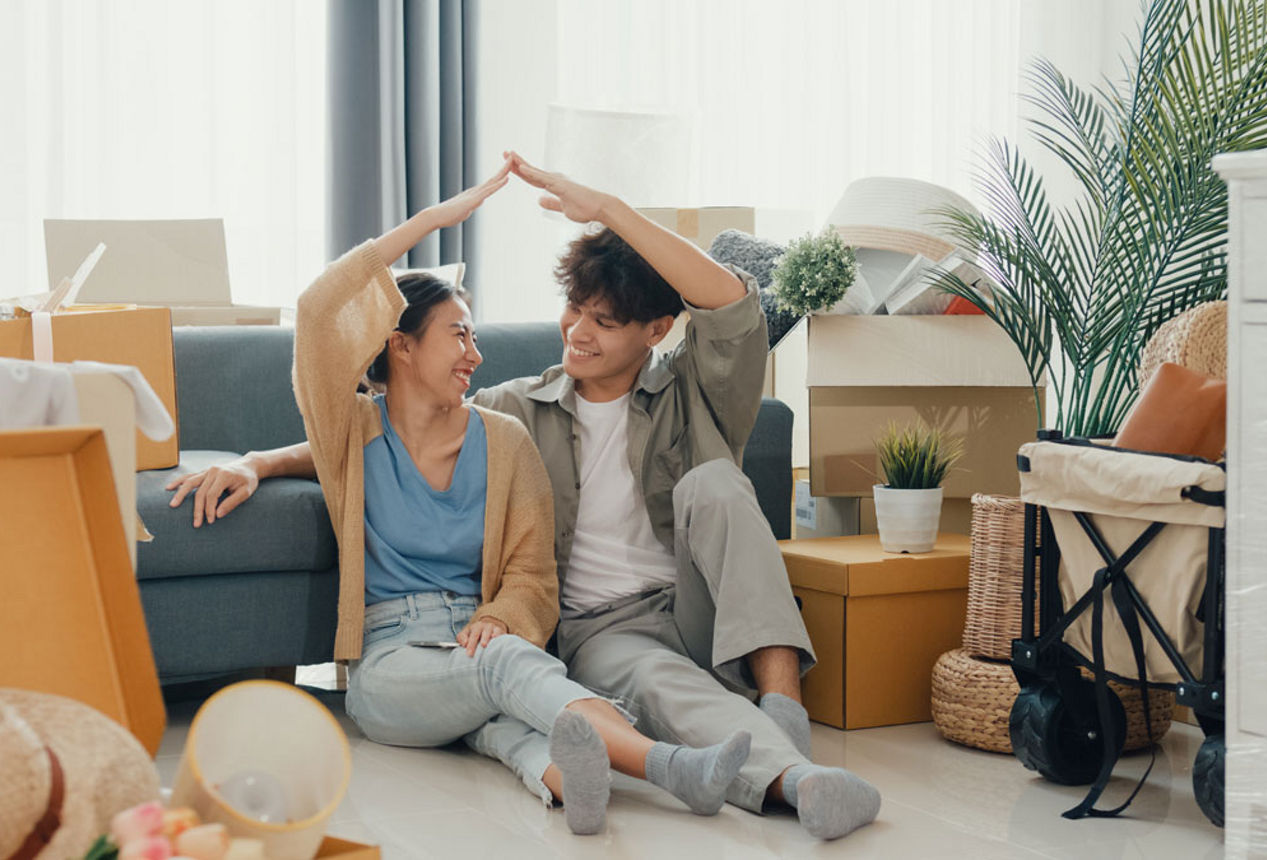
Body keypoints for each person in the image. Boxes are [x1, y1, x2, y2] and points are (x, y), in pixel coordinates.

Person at [168, 153, 880, 840]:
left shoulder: (663, 398)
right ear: (403, 346)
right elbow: (375, 421)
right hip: (585, 635)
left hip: (687, 604)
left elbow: (731, 304)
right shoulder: (513, 412)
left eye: (605, 322)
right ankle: (789, 781)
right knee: (641, 689)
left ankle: (783, 714)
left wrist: (604, 208)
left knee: (717, 483)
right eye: (575, 310)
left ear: (656, 332)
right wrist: (261, 461)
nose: (578, 331)